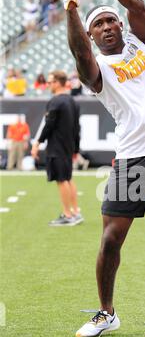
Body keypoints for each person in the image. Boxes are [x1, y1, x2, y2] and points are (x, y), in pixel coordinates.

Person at [53, 0, 145, 337]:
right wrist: (73, 9)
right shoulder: (97, 69)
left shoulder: (140, 43)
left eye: (112, 21)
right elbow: (80, 56)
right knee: (111, 238)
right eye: (100, 25)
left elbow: (141, 10)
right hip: (131, 160)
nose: (108, 26)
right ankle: (107, 313)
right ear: (93, 36)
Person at [31, 71, 83, 226]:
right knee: (68, 178)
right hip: (67, 146)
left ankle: (67, 215)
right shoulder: (72, 101)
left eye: (50, 82)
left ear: (58, 82)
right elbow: (77, 127)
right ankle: (75, 211)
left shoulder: (55, 102)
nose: (48, 84)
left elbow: (49, 125)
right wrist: (76, 148)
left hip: (57, 146)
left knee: (61, 180)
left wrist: (37, 143)